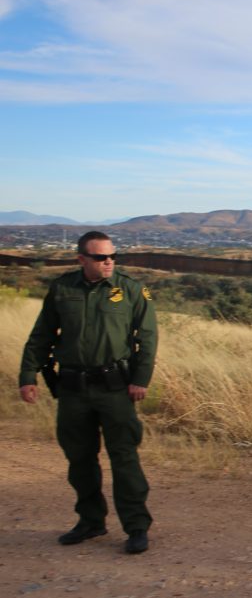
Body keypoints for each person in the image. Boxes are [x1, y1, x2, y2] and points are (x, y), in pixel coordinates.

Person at [18, 231, 159, 555]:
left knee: (124, 458)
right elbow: (41, 335)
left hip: (116, 389)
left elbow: (148, 338)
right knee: (79, 459)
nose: (108, 261)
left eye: (112, 256)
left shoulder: (131, 290)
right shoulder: (63, 289)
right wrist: (28, 375)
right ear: (82, 259)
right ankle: (90, 521)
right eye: (100, 257)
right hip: (73, 390)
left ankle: (136, 526)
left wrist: (141, 379)